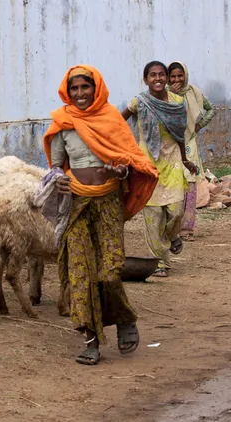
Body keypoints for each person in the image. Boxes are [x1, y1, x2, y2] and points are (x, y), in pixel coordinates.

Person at [44, 64, 159, 365]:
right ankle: (91, 340)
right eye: (74, 89)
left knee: (109, 272)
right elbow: (55, 166)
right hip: (78, 204)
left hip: (108, 202)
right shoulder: (63, 122)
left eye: (85, 88)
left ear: (96, 89)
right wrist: (58, 178)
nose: (80, 94)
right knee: (80, 274)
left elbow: (130, 159)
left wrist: (120, 170)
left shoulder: (111, 119)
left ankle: (125, 318)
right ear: (67, 92)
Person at [121, 61, 198, 277]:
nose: (158, 78)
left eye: (161, 74)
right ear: (145, 79)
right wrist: (126, 149)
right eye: (152, 75)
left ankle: (174, 235)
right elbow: (118, 122)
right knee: (153, 215)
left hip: (172, 159)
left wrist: (185, 160)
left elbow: (179, 132)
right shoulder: (139, 102)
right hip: (147, 164)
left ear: (166, 77)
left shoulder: (177, 102)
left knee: (176, 210)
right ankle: (160, 262)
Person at [167, 61, 217, 241]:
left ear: (185, 76)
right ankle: (171, 229)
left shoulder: (193, 92)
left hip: (189, 143)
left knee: (190, 184)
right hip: (170, 144)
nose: (176, 80)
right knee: (172, 181)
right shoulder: (164, 94)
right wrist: (170, 95)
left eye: (180, 76)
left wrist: (199, 125)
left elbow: (211, 109)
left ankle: (187, 230)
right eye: (172, 76)